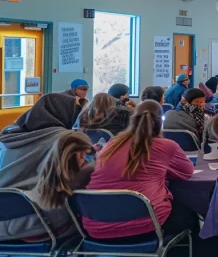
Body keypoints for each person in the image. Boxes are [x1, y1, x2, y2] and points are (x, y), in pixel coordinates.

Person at [83, 101, 199, 246]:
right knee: (189, 212)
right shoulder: (167, 146)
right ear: (160, 123)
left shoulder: (111, 144)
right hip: (145, 227)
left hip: (96, 228)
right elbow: (187, 171)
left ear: (132, 120)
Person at [0, 93, 84, 241]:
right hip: (40, 225)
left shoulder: (7, 140)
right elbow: (75, 179)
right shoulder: (63, 139)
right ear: (63, 113)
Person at [14, 131, 94, 242]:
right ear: (81, 154)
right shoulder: (82, 173)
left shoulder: (46, 169)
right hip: (53, 232)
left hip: (26, 233)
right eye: (86, 154)